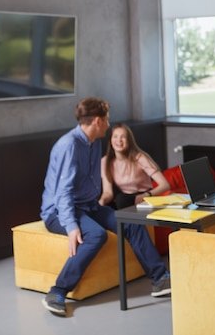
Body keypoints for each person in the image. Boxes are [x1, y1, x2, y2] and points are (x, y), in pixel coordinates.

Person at [40, 97, 171, 316]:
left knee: (130, 221)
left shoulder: (94, 143)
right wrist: (72, 226)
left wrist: (99, 206)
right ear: (98, 121)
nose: (109, 126)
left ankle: (161, 279)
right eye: (108, 120)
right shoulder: (69, 145)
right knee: (96, 235)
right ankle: (57, 291)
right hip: (59, 211)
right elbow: (62, 193)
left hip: (88, 206)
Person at [99, 123, 170, 210]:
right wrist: (100, 203)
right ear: (110, 140)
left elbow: (165, 185)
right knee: (108, 205)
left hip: (144, 196)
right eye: (116, 136)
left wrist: (147, 195)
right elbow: (108, 193)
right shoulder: (105, 161)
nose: (119, 140)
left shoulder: (140, 158)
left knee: (121, 199)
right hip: (125, 199)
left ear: (129, 140)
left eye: (123, 137)